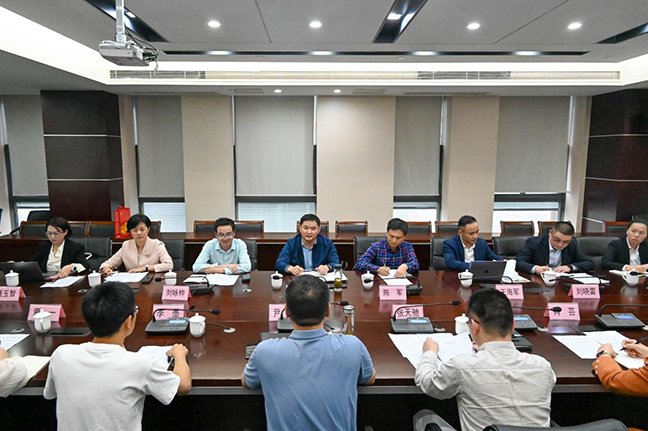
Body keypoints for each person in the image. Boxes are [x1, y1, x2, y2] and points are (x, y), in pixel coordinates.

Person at [44, 281, 191, 431]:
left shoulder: (61, 355)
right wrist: (179, 354)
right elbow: (183, 386)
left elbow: (50, 394)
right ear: (128, 322)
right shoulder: (139, 364)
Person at [242, 275, 375, 431]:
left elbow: (247, 382)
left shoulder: (264, 352)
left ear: (286, 311)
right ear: (328, 310)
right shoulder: (353, 346)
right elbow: (369, 378)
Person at [414, 289, 556, 431]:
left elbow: (425, 381)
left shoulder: (463, 366)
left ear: (475, 326)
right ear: (513, 325)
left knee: (423, 417)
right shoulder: (543, 367)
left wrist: (429, 353)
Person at [100, 214, 173, 274]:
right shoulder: (126, 245)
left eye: (142, 229)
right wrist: (106, 268)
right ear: (130, 232)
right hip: (131, 282)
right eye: (135, 230)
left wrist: (145, 268)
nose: (139, 233)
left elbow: (169, 265)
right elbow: (108, 263)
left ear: (148, 229)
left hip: (150, 281)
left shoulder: (157, 244)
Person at [515, 221, 594, 274]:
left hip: (561, 282)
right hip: (539, 281)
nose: (560, 244)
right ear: (550, 233)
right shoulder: (534, 243)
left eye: (565, 242)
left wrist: (570, 267)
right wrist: (536, 269)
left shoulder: (572, 244)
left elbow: (589, 263)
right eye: (557, 240)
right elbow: (519, 262)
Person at [275, 214, 340, 275]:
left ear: (318, 230)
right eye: (306, 228)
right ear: (300, 228)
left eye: (313, 229)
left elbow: (335, 262)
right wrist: (291, 268)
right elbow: (279, 263)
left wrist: (327, 267)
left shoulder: (327, 243)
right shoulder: (292, 243)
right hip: (299, 279)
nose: (309, 232)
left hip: (320, 279)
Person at [354, 218, 420, 277]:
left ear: (404, 237)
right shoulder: (377, 246)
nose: (394, 240)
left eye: (398, 238)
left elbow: (415, 264)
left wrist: (406, 266)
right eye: (391, 236)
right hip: (380, 282)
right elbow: (360, 263)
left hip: (401, 282)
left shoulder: (407, 247)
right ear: (387, 233)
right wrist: (377, 269)